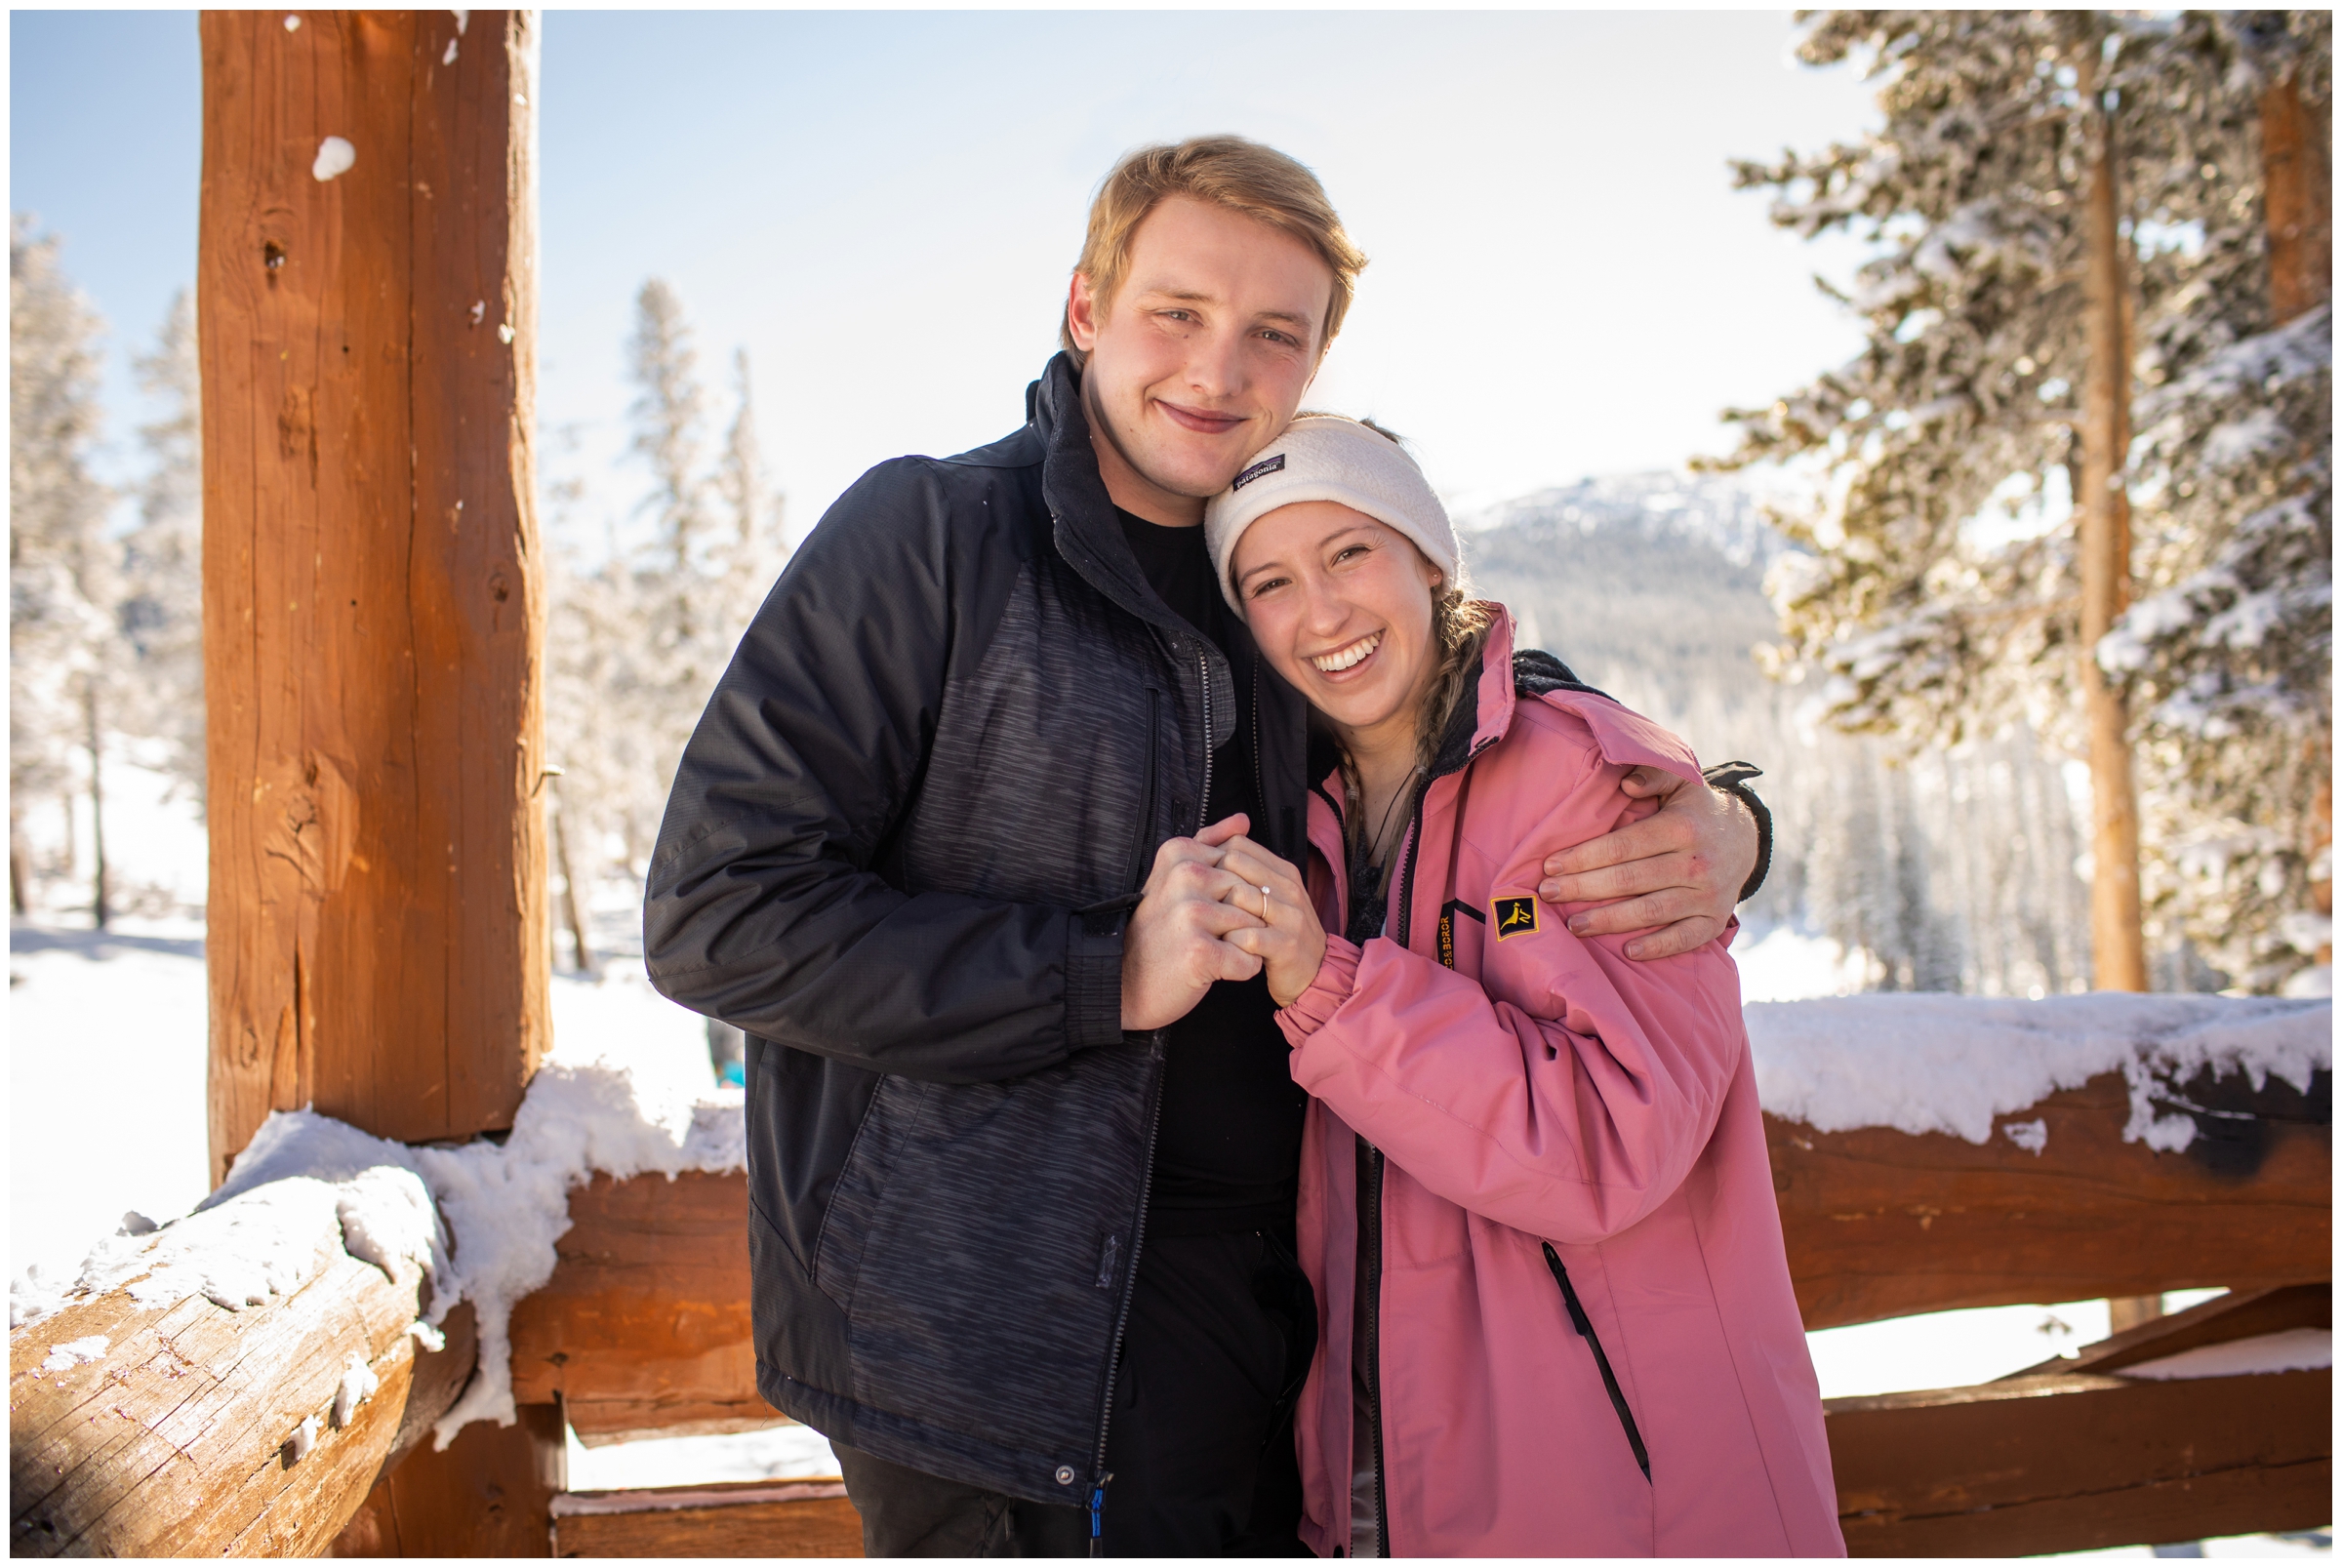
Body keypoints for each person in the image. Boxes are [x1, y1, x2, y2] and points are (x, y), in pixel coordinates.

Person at [643, 136, 1772, 1556]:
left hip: (1277, 1349)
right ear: (1085, 311)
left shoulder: (1276, 572)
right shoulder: (933, 534)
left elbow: (1460, 728)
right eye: (1177, 313)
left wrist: (1719, 811)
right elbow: (715, 911)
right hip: (998, 1345)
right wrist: (1096, 971)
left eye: (1271, 335)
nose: (1217, 369)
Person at [1184, 415, 1841, 1555]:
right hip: (1390, 1480)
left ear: (1428, 558)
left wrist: (1327, 983)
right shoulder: (1309, 820)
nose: (1324, 612)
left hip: (1627, 1489)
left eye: (1351, 552)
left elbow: (1608, 1136)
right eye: (1271, 582)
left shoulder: (1580, 776)